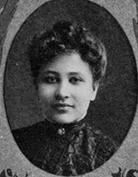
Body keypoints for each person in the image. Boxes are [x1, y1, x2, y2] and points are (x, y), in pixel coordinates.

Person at [12, 21, 118, 176]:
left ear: (94, 88)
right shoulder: (14, 143)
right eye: (51, 79)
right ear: (36, 85)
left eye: (75, 80)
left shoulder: (107, 152)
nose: (62, 93)